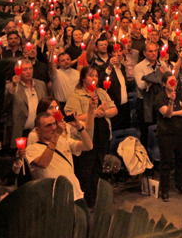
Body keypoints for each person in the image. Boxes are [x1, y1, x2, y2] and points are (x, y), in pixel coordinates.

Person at [64, 66, 117, 208]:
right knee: (86, 169)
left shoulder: (101, 92)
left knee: (98, 167)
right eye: (90, 76)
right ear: (83, 78)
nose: (94, 78)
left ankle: (94, 199)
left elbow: (114, 109)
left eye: (96, 76)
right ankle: (84, 202)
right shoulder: (77, 95)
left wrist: (104, 113)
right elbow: (72, 117)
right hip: (87, 137)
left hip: (102, 135)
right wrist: (93, 112)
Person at [25, 109, 95, 215]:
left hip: (76, 194)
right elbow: (43, 163)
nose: (53, 128)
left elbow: (88, 146)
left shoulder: (63, 141)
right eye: (48, 126)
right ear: (37, 130)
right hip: (55, 199)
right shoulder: (32, 149)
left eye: (54, 124)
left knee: (86, 228)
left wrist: (79, 127)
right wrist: (56, 136)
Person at [155, 72, 182, 202]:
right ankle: (164, 190)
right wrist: (171, 102)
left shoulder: (180, 93)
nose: (173, 84)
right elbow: (167, 114)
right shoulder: (160, 97)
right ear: (164, 84)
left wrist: (174, 112)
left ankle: (180, 185)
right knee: (166, 163)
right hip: (166, 134)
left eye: (174, 81)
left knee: (181, 160)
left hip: (181, 132)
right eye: (170, 82)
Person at [4, 59, 48, 150]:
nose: (29, 71)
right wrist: (13, 87)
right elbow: (4, 105)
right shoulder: (11, 87)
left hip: (37, 132)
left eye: (30, 68)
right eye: (25, 69)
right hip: (20, 132)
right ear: (18, 70)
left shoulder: (41, 84)